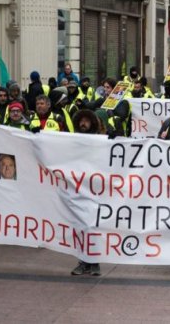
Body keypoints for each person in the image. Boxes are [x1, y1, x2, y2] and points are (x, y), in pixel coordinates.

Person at [70, 109, 104, 276]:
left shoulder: (102, 141)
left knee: (93, 226)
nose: (83, 123)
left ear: (92, 123)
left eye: (87, 121)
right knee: (81, 227)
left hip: (97, 191)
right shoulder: (71, 141)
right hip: (77, 190)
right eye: (81, 121)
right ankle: (83, 262)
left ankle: (94, 262)